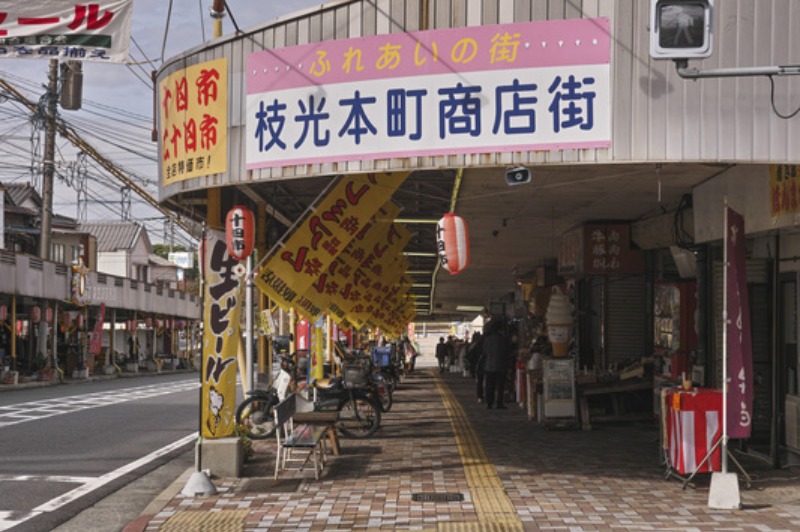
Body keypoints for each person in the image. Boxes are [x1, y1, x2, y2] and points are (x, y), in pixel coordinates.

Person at [482, 319, 509, 409]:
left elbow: (484, 352)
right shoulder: (502, 339)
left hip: (489, 365)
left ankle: (489, 403)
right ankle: (499, 403)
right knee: (500, 386)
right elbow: (505, 352)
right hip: (501, 366)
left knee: (490, 386)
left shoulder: (487, 339)